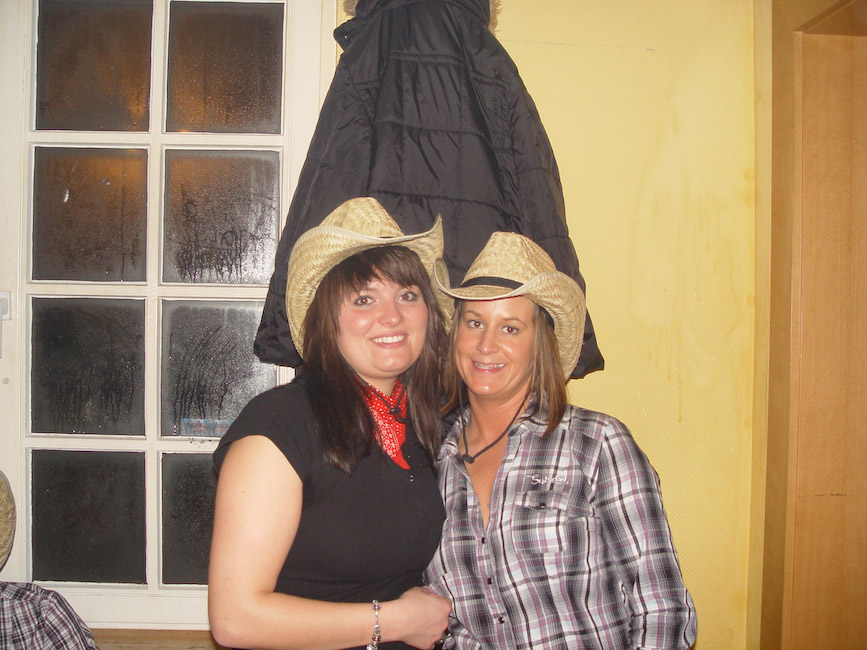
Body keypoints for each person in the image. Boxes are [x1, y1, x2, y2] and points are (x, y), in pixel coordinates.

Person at [424, 232, 697, 649]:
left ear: (540, 344)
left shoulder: (597, 445)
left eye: (510, 328)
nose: (486, 344)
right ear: (455, 333)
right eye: (474, 322)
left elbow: (662, 610)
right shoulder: (430, 468)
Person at [208, 197, 451, 650]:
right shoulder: (279, 426)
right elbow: (235, 620)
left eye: (407, 295)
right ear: (328, 320)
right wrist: (394, 622)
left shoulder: (424, 424)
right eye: (364, 299)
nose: (392, 316)